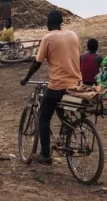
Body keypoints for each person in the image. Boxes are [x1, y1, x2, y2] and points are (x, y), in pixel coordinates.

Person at [20, 10, 82, 165]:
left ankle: (46, 156)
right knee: (60, 108)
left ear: (49, 22)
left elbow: (37, 62)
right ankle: (67, 131)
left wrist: (26, 78)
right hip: (76, 83)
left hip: (58, 85)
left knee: (43, 118)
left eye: (47, 21)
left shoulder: (48, 38)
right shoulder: (73, 35)